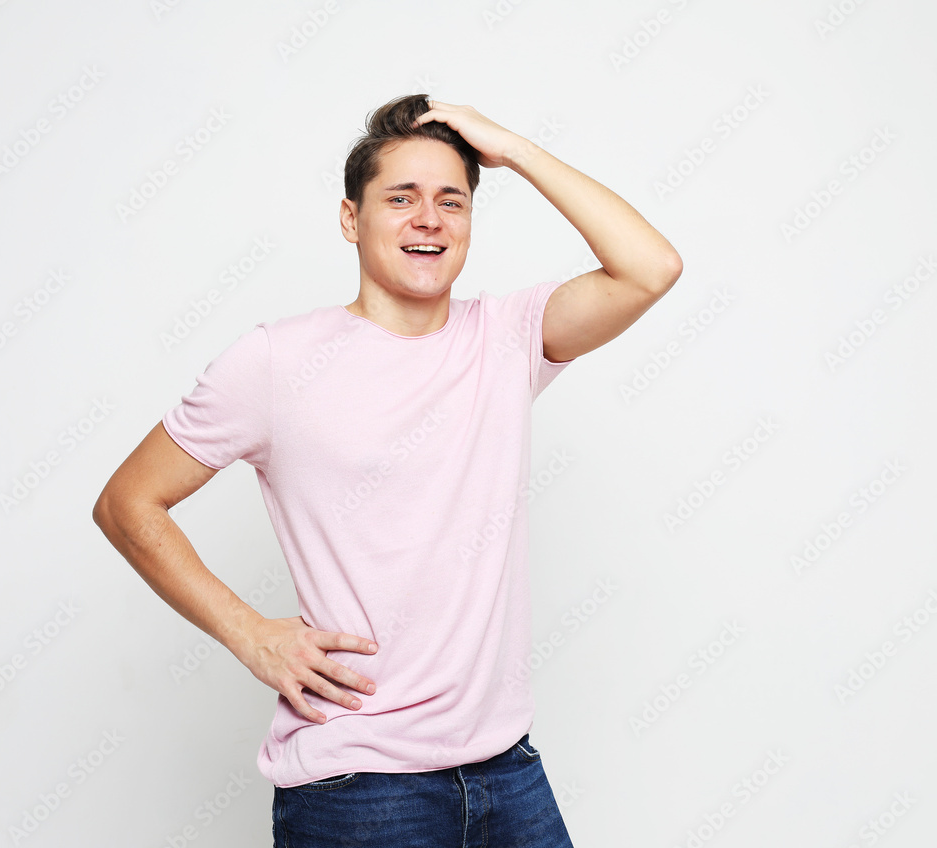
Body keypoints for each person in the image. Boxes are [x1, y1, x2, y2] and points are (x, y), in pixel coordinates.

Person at [93, 94, 682, 846]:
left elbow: (651, 268)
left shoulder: (506, 338)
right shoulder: (275, 361)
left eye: (451, 201)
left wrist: (514, 149)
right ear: (351, 219)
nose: (428, 219)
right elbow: (128, 502)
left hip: (507, 769)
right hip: (358, 786)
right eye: (401, 198)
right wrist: (248, 633)